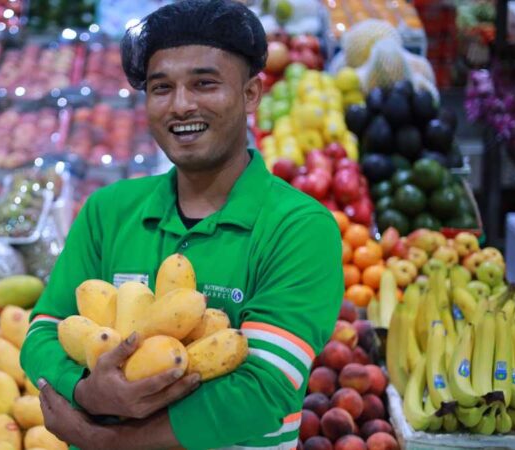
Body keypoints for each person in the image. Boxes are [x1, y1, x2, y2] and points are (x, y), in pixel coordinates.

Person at [20, 1, 344, 448]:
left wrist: (109, 442)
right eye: (161, 88)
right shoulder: (107, 211)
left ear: (252, 93)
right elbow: (43, 331)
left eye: (204, 84)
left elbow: (264, 389)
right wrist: (86, 390)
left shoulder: (301, 228)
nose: (181, 105)